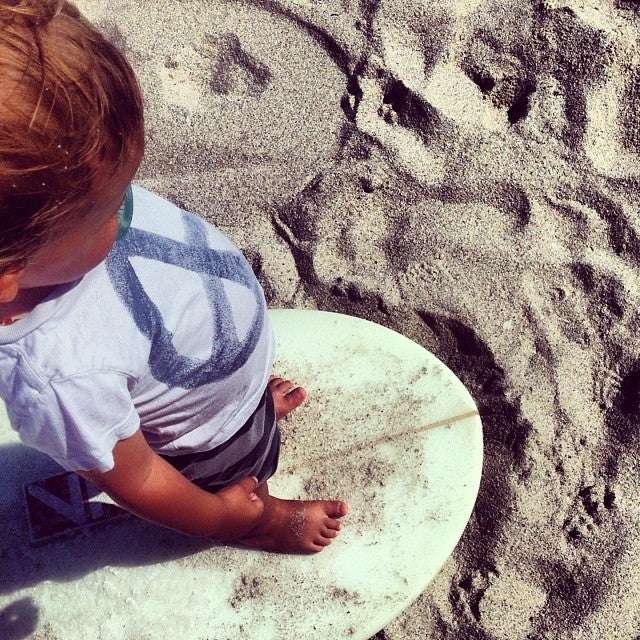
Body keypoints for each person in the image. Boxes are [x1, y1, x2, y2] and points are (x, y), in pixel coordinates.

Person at [0, 0, 347, 553]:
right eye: (109, 212)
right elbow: (135, 479)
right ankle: (264, 519)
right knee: (239, 484)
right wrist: (223, 520)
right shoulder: (60, 379)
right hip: (202, 447)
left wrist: (243, 388)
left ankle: (251, 410)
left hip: (212, 385)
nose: (128, 211)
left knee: (245, 413)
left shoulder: (56, 214)